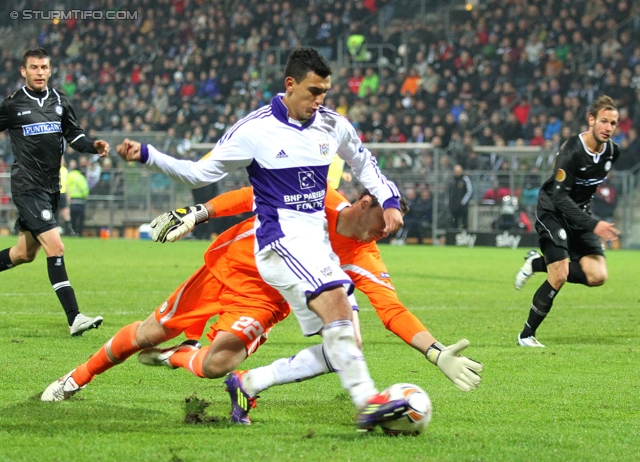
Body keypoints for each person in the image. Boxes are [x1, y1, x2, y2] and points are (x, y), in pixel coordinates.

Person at [115, 48, 407, 431]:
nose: (319, 101)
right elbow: (198, 174)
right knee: (336, 304)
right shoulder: (254, 130)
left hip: (314, 246)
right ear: (290, 84)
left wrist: (388, 201)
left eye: (325, 93)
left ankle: (250, 382)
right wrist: (149, 155)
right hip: (279, 243)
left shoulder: (332, 125)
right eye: (313, 91)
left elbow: (365, 163)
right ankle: (368, 402)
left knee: (346, 343)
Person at [41, 187, 482, 422]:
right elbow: (255, 194)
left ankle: (186, 360)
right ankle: (76, 378)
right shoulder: (318, 198)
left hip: (265, 299)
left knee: (216, 366)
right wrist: (197, 213)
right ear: (366, 203)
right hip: (231, 263)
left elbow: (392, 308)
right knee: (148, 333)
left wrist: (435, 350)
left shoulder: (364, 255)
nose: (387, 234)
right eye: (386, 224)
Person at [0, 47, 108, 336]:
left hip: (50, 188)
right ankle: (74, 317)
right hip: (27, 186)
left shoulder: (60, 100)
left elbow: (74, 135)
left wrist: (93, 146)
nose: (39, 72)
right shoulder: (12, 105)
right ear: (24, 71)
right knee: (56, 246)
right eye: (33, 67)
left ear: (50, 70)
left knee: (24, 254)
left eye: (44, 67)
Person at [513, 96, 621, 347]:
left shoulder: (613, 151)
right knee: (559, 273)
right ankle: (526, 335)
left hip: (580, 214)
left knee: (597, 276)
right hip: (553, 210)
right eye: (604, 121)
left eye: (613, 123)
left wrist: (588, 221)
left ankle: (537, 263)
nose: (608, 127)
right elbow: (560, 197)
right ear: (591, 120)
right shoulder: (572, 150)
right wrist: (594, 225)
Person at [67, 159, 89, 237]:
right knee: (80, 218)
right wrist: (85, 197)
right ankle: (79, 233)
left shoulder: (69, 176)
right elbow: (84, 189)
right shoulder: (80, 177)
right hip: (80, 200)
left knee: (72, 218)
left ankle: (72, 232)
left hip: (71, 200)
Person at [448, 164, 473, 229]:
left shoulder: (465, 179)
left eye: (458, 171)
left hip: (462, 207)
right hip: (453, 206)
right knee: (454, 223)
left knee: (464, 223)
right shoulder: (451, 180)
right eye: (456, 171)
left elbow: (469, 191)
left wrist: (463, 202)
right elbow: (448, 192)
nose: (457, 172)